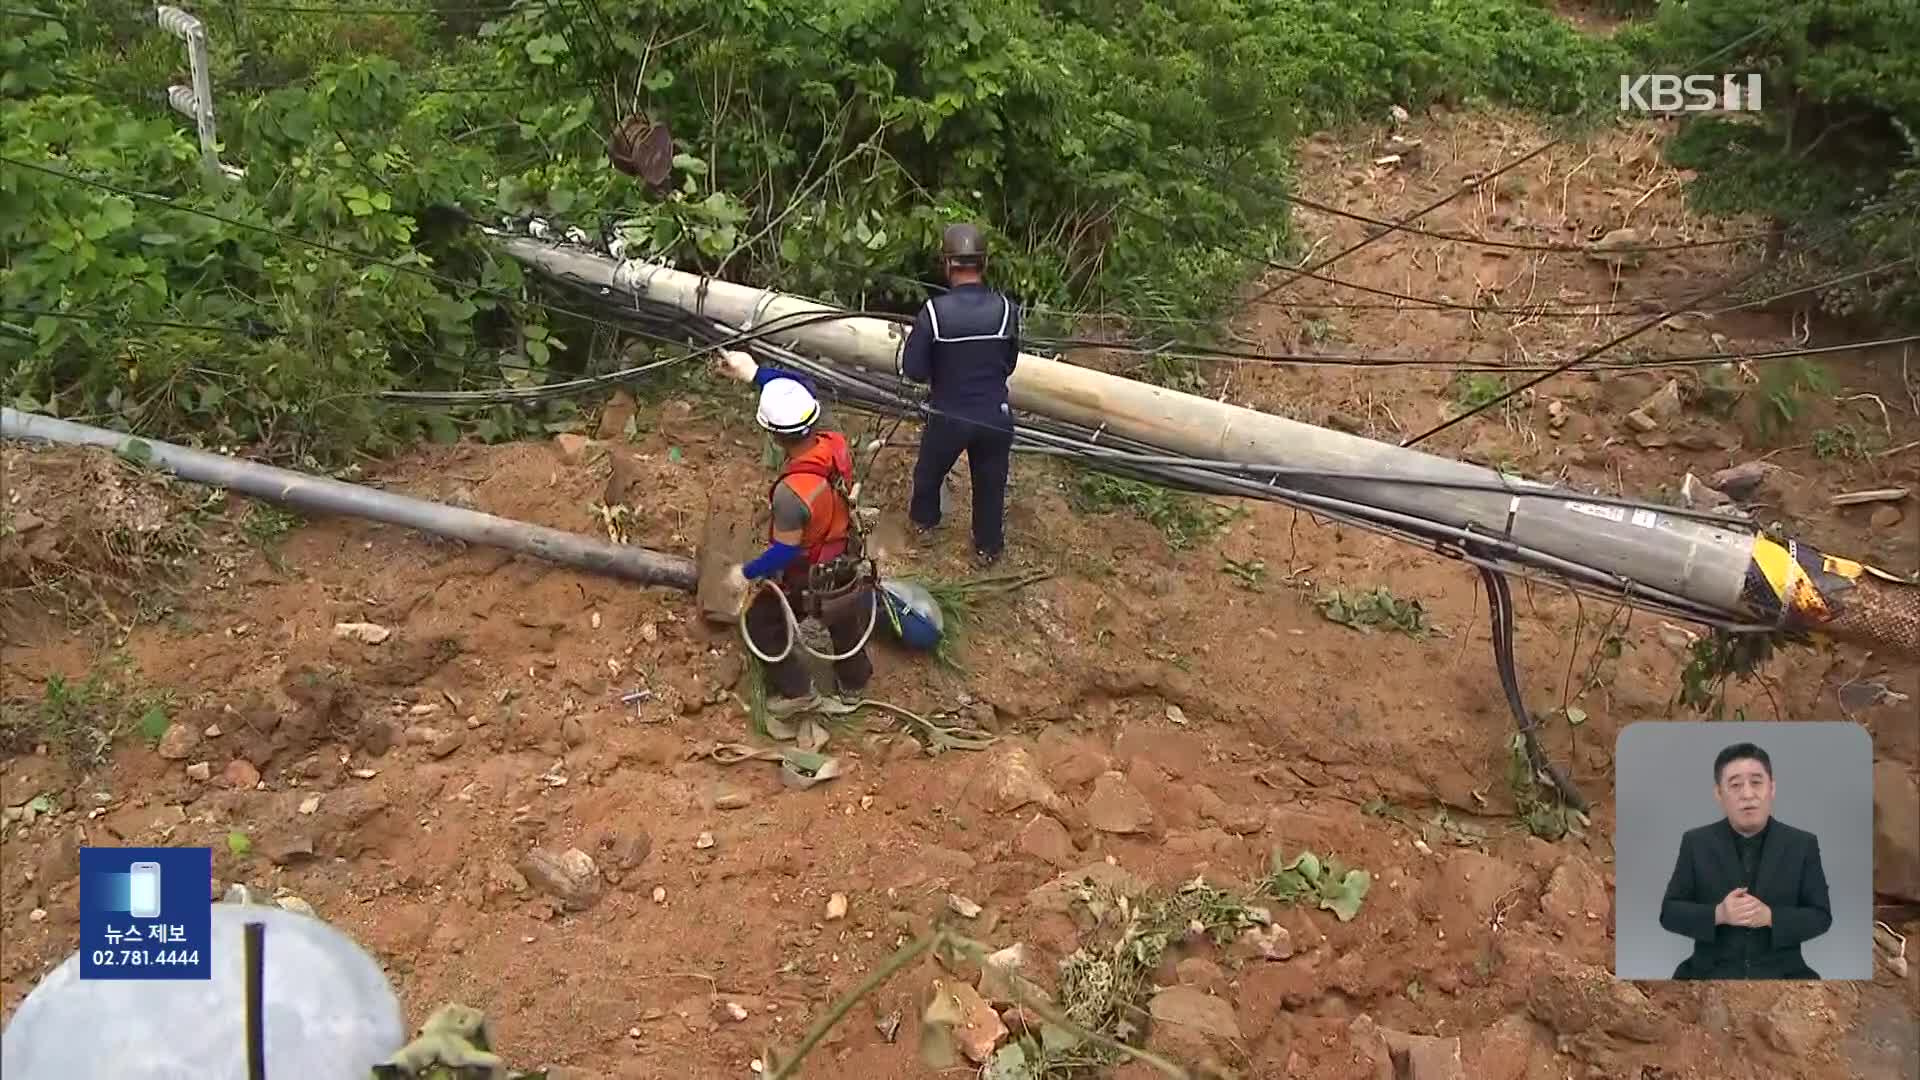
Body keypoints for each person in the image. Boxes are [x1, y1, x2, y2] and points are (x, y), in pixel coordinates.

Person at [715, 350, 875, 701]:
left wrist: (745, 572)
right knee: (843, 615)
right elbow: (803, 386)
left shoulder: (792, 494)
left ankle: (800, 694)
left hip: (809, 573)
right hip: (846, 557)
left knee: (762, 627)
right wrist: (754, 373)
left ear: (772, 434)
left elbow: (785, 551)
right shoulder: (834, 441)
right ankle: (854, 682)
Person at [900, 222, 1020, 566]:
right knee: (990, 483)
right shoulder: (1006, 310)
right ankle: (987, 548)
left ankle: (924, 525)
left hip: (948, 415)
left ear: (948, 263)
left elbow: (915, 370)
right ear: (984, 263)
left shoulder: (935, 313)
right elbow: (1009, 363)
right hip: (995, 416)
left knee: (928, 474)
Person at [1658, 741, 1831, 979]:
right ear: (1719, 794)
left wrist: (1771, 917)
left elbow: (1821, 916)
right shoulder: (1696, 843)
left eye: (1757, 783)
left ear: (1772, 788)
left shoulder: (1802, 845)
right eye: (1736, 785)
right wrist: (1719, 914)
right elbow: (1669, 913)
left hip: (1784, 974)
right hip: (1709, 973)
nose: (1747, 794)